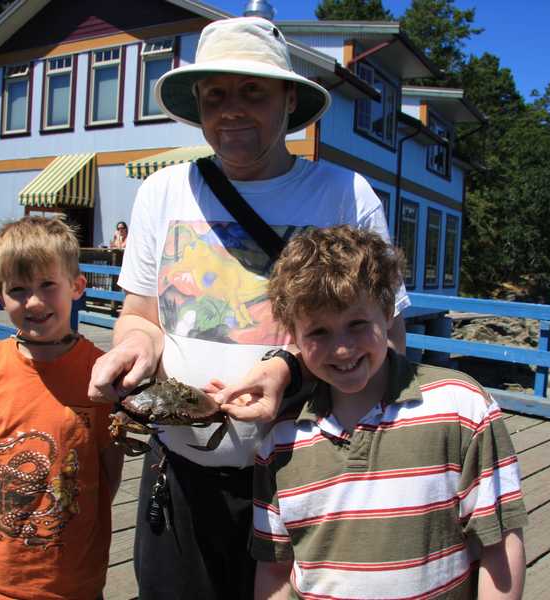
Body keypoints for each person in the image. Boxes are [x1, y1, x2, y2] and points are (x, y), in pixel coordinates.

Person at [87, 16, 408, 599]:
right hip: (180, 474)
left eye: (253, 91)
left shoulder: (344, 195)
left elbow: (388, 342)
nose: (231, 109)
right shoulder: (162, 190)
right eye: (215, 95)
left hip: (307, 474)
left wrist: (289, 369)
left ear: (289, 100)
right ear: (198, 106)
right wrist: (134, 347)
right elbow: (140, 316)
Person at [251, 225, 528, 599]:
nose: (342, 348)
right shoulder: (279, 440)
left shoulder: (463, 408)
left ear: (386, 312)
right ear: (293, 335)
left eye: (357, 324)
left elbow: (500, 542)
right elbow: (274, 569)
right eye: (318, 332)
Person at [0, 216, 122, 600]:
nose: (33, 302)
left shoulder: (102, 374)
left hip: (72, 581)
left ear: (77, 286)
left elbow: (108, 475)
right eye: (18, 289)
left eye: (48, 285)